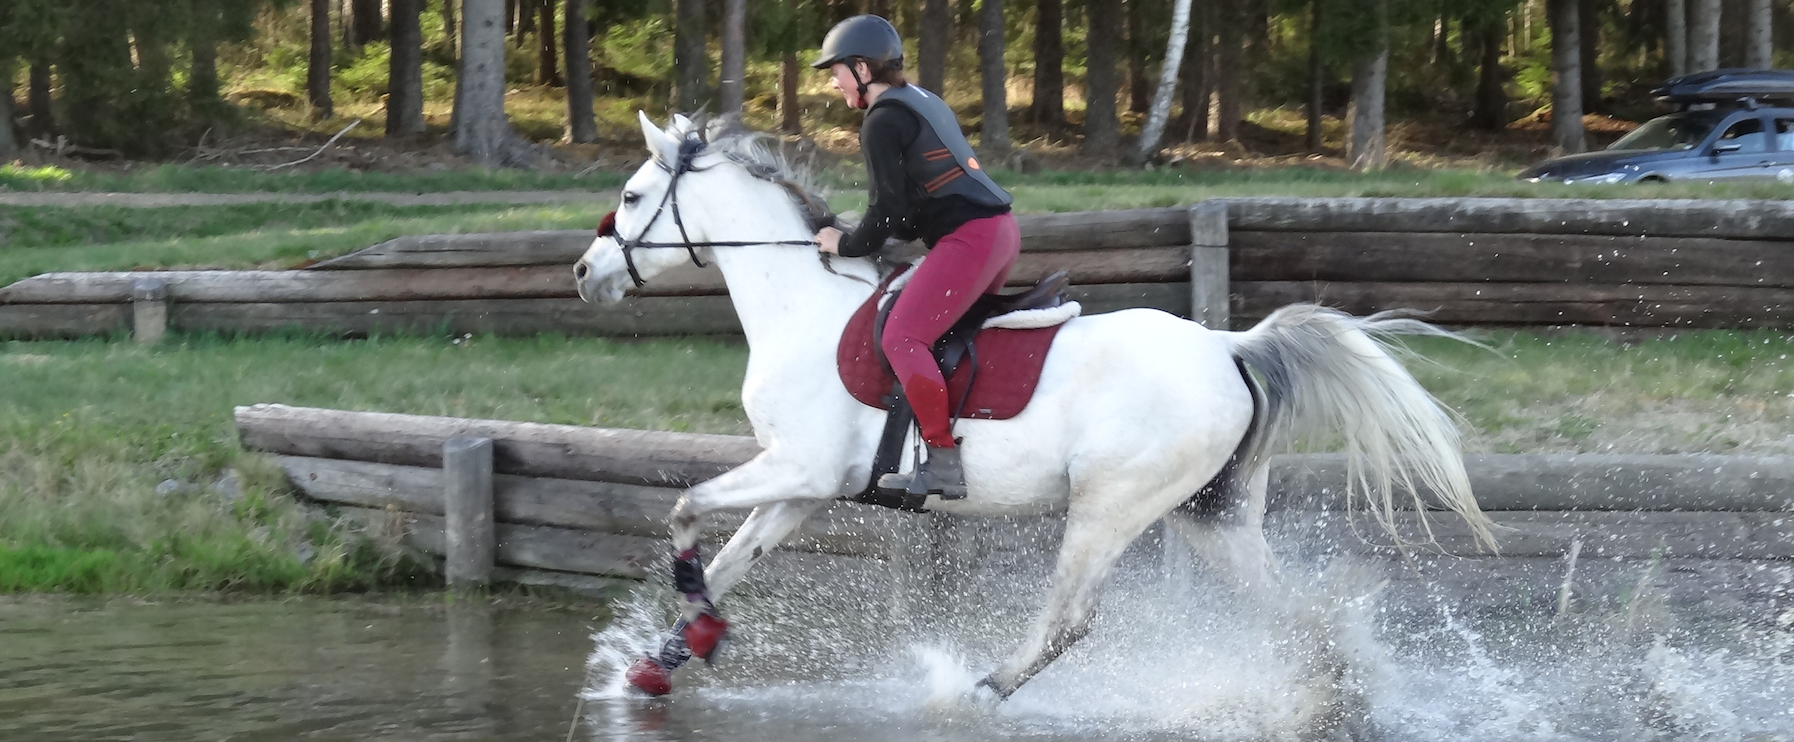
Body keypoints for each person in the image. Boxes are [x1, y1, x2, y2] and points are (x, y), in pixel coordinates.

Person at [811, 15, 1020, 496]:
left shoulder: (883, 120)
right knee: (937, 334)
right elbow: (906, 211)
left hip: (971, 239)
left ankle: (944, 461)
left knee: (903, 337)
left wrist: (845, 243)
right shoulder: (920, 99)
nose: (833, 80)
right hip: (999, 232)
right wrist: (867, 230)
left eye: (837, 69)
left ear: (862, 68)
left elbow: (887, 212)